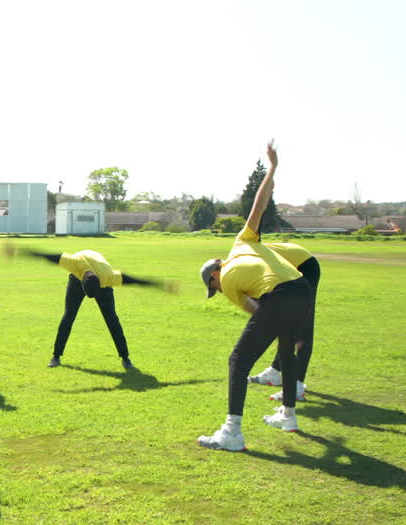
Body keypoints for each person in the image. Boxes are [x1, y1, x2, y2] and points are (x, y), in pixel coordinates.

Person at [197, 140, 313, 450]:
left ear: (214, 274)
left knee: (238, 360)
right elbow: (258, 207)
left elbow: (254, 310)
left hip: (281, 296)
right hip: (301, 289)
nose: (216, 291)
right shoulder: (242, 243)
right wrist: (273, 167)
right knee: (286, 353)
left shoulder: (232, 280)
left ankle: (232, 433)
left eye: (213, 286)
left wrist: (272, 169)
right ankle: (288, 416)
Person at [18, 247, 170, 370]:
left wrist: (160, 285)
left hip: (101, 277)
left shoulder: (109, 276)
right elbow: (49, 256)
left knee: (112, 319)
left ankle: (126, 358)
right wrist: (26, 252)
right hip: (78, 278)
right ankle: (56, 356)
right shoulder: (74, 263)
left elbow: (135, 280)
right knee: (68, 316)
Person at [247, 241, 320, 402]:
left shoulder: (246, 266)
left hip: (304, 267)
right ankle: (275, 372)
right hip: (288, 268)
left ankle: (297, 386)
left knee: (302, 324)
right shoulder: (242, 267)